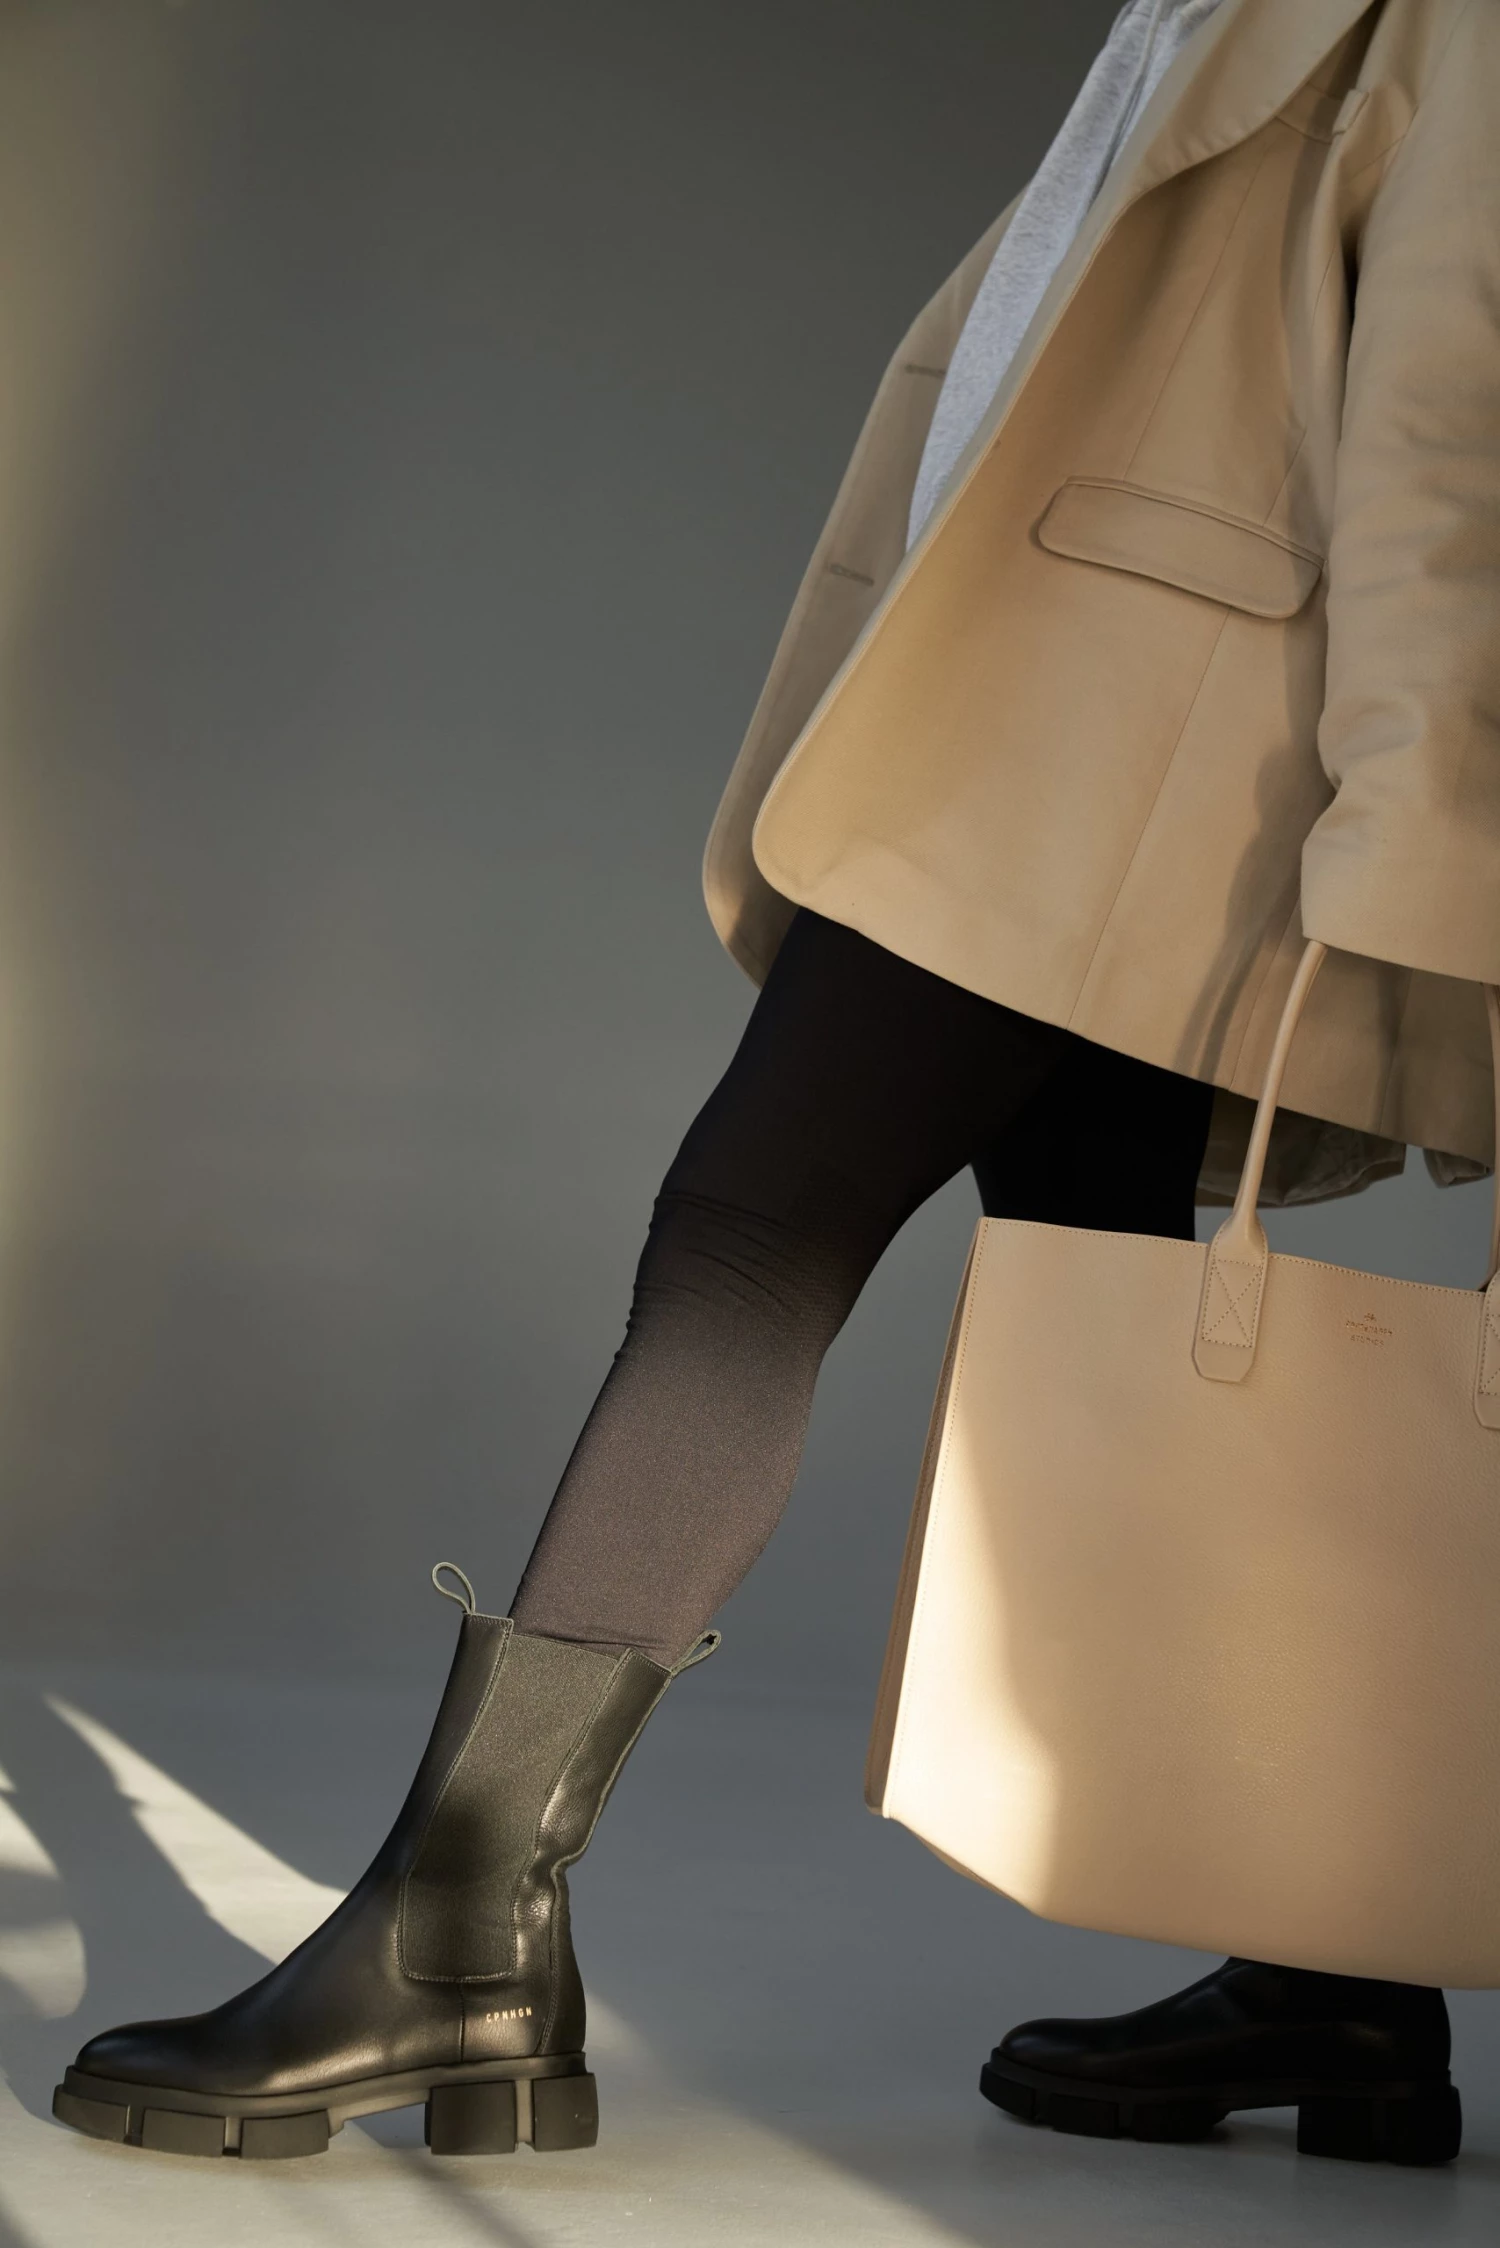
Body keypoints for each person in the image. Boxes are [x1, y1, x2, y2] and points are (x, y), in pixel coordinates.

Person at [51, 0, 1498, 2174]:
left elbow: (1454, 426)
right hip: (1076, 707)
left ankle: (458, 1935)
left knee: (752, 1233)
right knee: (1099, 1290)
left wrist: (1413, 850)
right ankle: (1337, 1973)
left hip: (1135, 748)